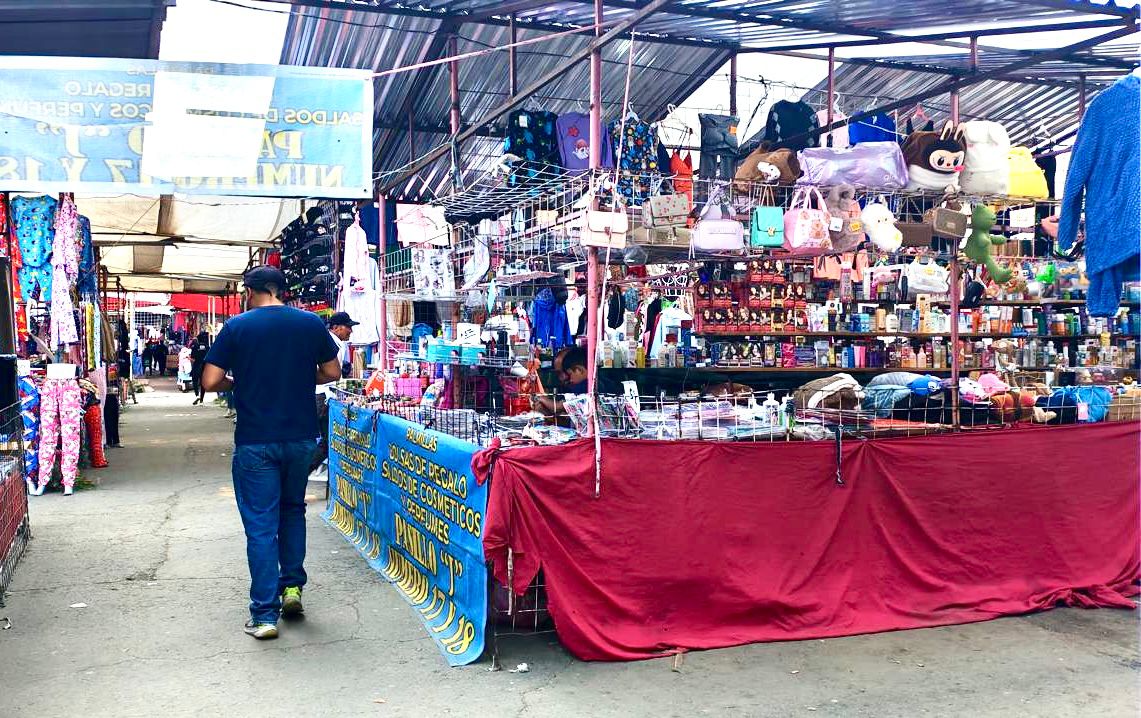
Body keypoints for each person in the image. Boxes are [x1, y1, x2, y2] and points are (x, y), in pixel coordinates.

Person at [201, 266, 340, 640]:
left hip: (256, 440)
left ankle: (264, 615)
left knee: (261, 525)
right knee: (292, 510)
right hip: (300, 438)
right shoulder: (309, 323)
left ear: (252, 291)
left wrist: (240, 381)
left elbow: (210, 380)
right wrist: (297, 378)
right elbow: (332, 372)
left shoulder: (237, 327)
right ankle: (291, 588)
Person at [312, 312, 359, 473]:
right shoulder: (330, 343)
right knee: (328, 441)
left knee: (327, 441)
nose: (350, 331)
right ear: (336, 327)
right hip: (323, 396)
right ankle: (299, 474)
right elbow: (326, 373)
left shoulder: (334, 342)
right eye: (348, 327)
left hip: (322, 395)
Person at [532, 344, 619, 416]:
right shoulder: (601, 382)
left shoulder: (585, 385)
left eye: (569, 374)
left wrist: (541, 398)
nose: (566, 378)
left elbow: (559, 407)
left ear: (579, 370)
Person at [190, 332, 210, 405]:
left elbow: (193, 359)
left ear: (198, 340)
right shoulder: (207, 347)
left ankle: (197, 395)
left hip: (196, 365)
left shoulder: (195, 346)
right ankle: (201, 400)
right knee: (203, 383)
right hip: (204, 366)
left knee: (195, 381)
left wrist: (189, 359)